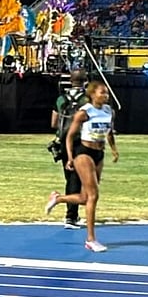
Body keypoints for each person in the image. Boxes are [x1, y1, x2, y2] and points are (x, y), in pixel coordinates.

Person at [45, 80, 120, 253]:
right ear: (92, 94)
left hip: (99, 154)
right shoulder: (84, 113)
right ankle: (91, 239)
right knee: (94, 196)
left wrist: (114, 150)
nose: (106, 96)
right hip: (83, 152)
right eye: (102, 92)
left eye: (107, 93)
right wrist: (70, 157)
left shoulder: (109, 111)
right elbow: (69, 136)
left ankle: (58, 198)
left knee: (85, 197)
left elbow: (109, 132)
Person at [50, 70, 90, 229]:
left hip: (63, 141)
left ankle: (72, 214)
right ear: (85, 81)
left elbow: (53, 123)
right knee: (77, 179)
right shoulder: (87, 100)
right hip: (81, 142)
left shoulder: (61, 99)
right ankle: (71, 216)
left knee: (70, 177)